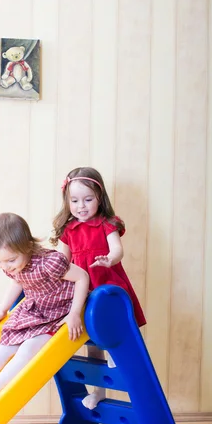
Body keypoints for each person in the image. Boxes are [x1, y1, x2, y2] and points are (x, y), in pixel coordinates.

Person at [0, 212, 89, 403]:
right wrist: (3, 309)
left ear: (27, 246)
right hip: (35, 311)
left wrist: (75, 313)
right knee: (4, 346)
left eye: (10, 260)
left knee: (27, 349)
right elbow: (17, 283)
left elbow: (82, 277)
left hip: (58, 313)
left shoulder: (49, 263)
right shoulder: (14, 265)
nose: (6, 267)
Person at [51, 167, 146, 409]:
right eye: (74, 200)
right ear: (67, 201)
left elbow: (117, 250)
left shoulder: (106, 224)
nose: (81, 206)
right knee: (93, 346)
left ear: (100, 198)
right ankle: (99, 391)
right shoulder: (68, 230)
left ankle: (120, 360)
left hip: (105, 283)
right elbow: (62, 263)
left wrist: (109, 259)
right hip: (82, 289)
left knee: (110, 330)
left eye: (88, 199)